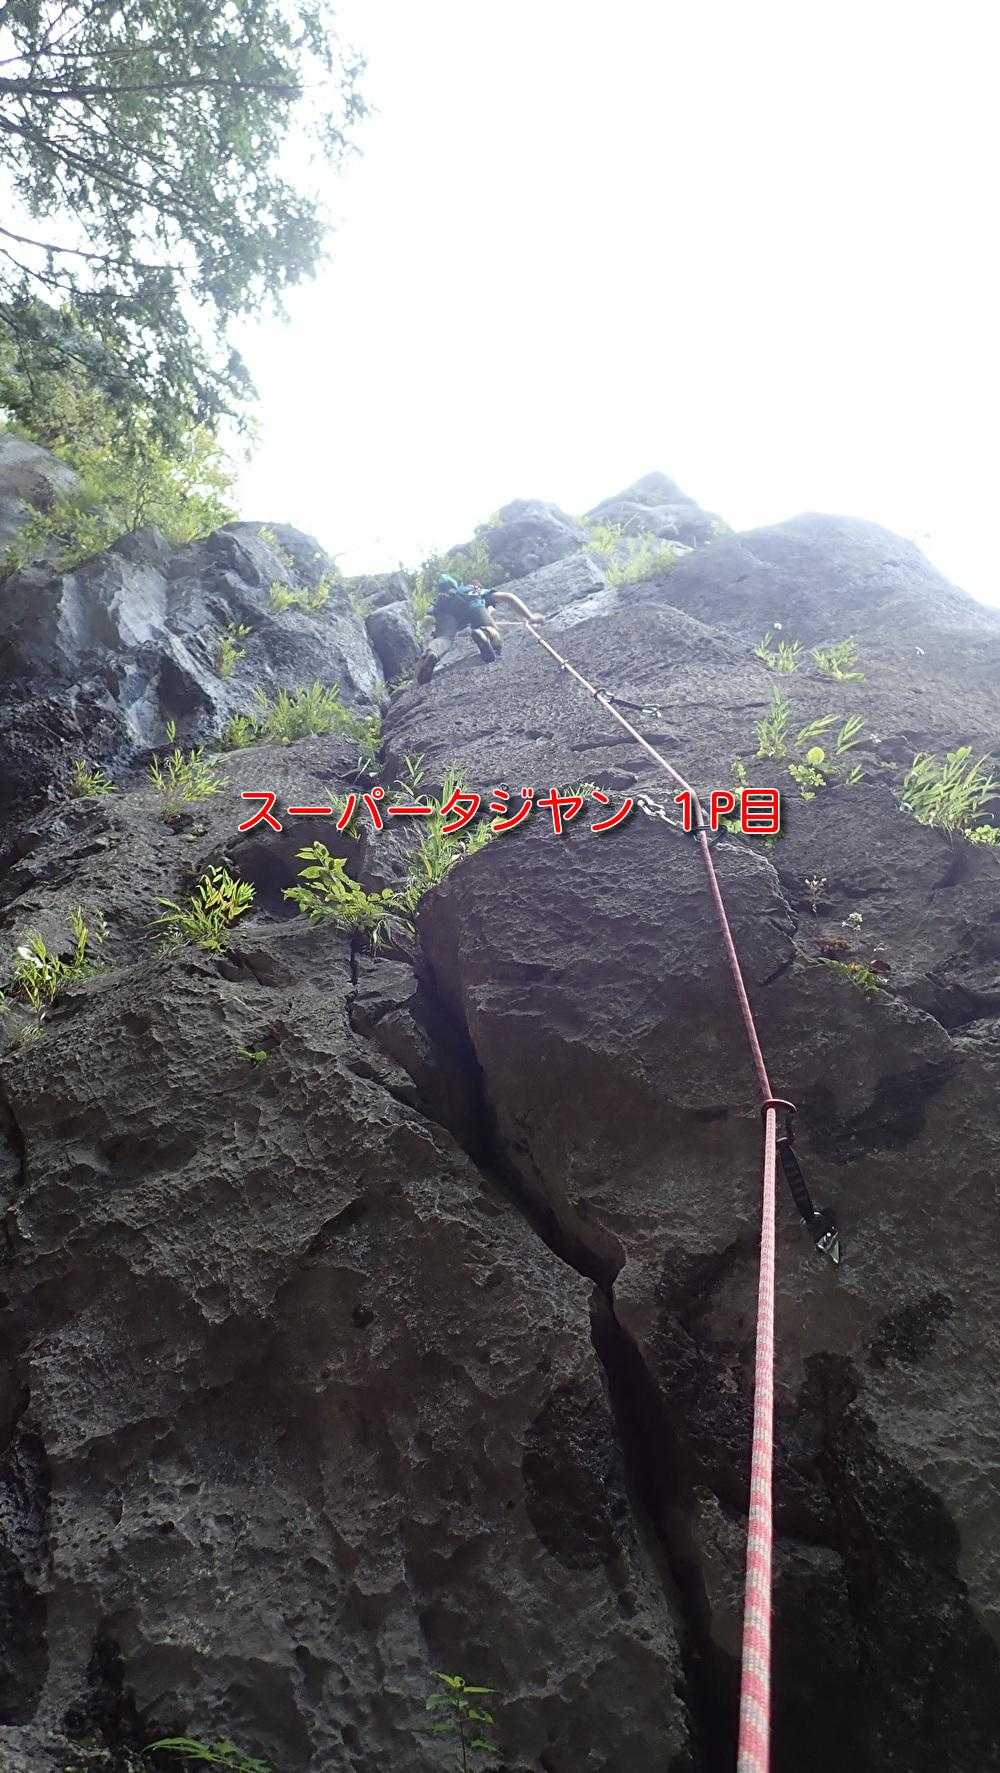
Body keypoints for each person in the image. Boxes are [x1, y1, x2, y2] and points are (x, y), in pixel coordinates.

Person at [415, 575, 503, 684]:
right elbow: (506, 597)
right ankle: (485, 633)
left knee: (444, 638)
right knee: (488, 627)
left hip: (444, 611)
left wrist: (436, 632)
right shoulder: (469, 589)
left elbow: (430, 615)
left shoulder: (440, 599)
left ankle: (433, 652)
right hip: (471, 604)